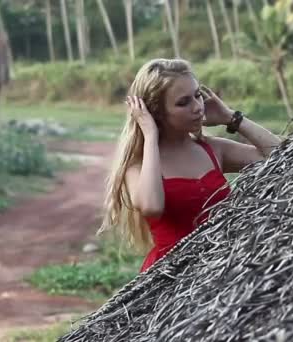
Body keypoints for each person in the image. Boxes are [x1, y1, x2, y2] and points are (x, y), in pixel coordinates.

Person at [99, 58, 282, 272]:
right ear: (156, 112)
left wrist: (231, 118)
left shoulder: (212, 149)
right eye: (183, 102)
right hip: (174, 277)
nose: (197, 108)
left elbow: (285, 157)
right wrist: (150, 135)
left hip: (224, 264)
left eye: (198, 96)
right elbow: (152, 207)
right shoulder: (137, 165)